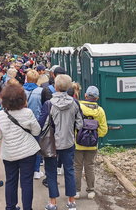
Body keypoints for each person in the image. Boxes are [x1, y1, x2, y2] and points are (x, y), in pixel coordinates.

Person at [38, 74, 83, 210]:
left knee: (51, 172)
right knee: (69, 170)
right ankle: (71, 201)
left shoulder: (49, 104)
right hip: (68, 141)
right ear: (69, 87)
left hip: (52, 143)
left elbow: (42, 124)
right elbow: (80, 124)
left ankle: (53, 202)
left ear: (55, 87)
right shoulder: (74, 103)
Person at [0, 84, 41, 210]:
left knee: (10, 181)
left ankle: (10, 206)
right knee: (26, 182)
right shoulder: (28, 113)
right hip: (27, 152)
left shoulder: (0, 115)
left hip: (9, 153)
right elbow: (37, 131)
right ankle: (27, 207)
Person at [74, 86, 107, 199]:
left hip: (78, 143)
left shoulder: (78, 107)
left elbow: (74, 124)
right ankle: (91, 190)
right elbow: (104, 129)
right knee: (90, 166)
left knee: (77, 167)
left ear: (85, 96)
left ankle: (76, 191)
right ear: (97, 98)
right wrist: (96, 136)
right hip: (92, 145)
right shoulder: (100, 111)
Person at [23, 70, 45, 179]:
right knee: (36, 146)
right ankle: (36, 170)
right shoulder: (41, 91)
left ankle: (25, 169)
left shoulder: (20, 90)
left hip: (21, 122)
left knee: (24, 146)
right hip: (36, 122)